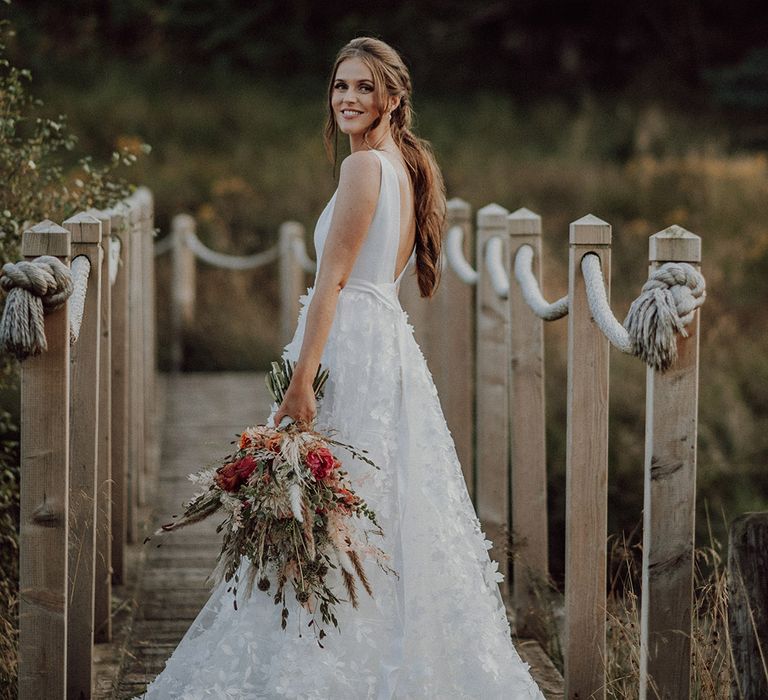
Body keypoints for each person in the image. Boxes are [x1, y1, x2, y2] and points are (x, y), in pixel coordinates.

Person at [138, 36, 545, 699]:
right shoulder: (406, 161)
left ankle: (330, 654)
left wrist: (302, 382)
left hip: (353, 341)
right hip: (387, 342)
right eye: (340, 87)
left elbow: (332, 280)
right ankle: (378, 645)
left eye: (364, 87)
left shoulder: (364, 170)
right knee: (372, 500)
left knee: (335, 501)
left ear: (393, 96)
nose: (349, 99)